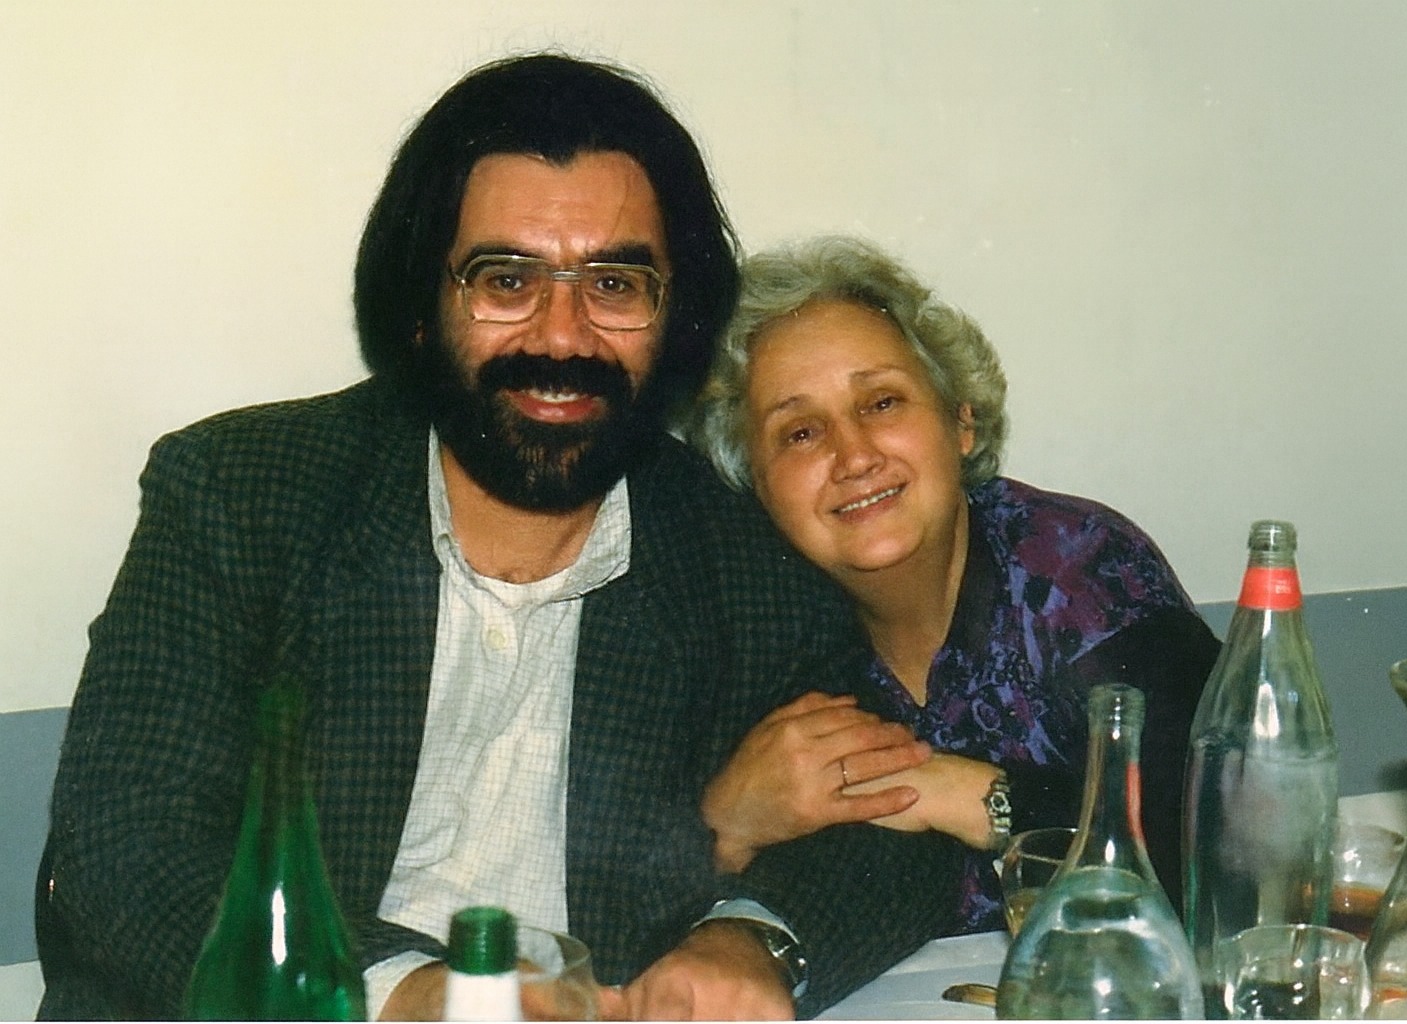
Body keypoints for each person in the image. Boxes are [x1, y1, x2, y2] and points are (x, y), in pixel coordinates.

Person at [36, 58, 963, 1021]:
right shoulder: (245, 497)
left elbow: (889, 835)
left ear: (673, 319)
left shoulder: (738, 558)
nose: (562, 338)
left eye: (614, 283)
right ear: (421, 307)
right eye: (507, 280)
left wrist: (753, 941)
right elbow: (126, 848)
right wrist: (406, 994)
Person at [687, 236, 1220, 934]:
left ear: (960, 422)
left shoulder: (1080, 572)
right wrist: (724, 830)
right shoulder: (753, 625)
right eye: (800, 433)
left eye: (881, 403)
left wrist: (967, 794)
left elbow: (1225, 853)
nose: (854, 456)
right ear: (754, 483)